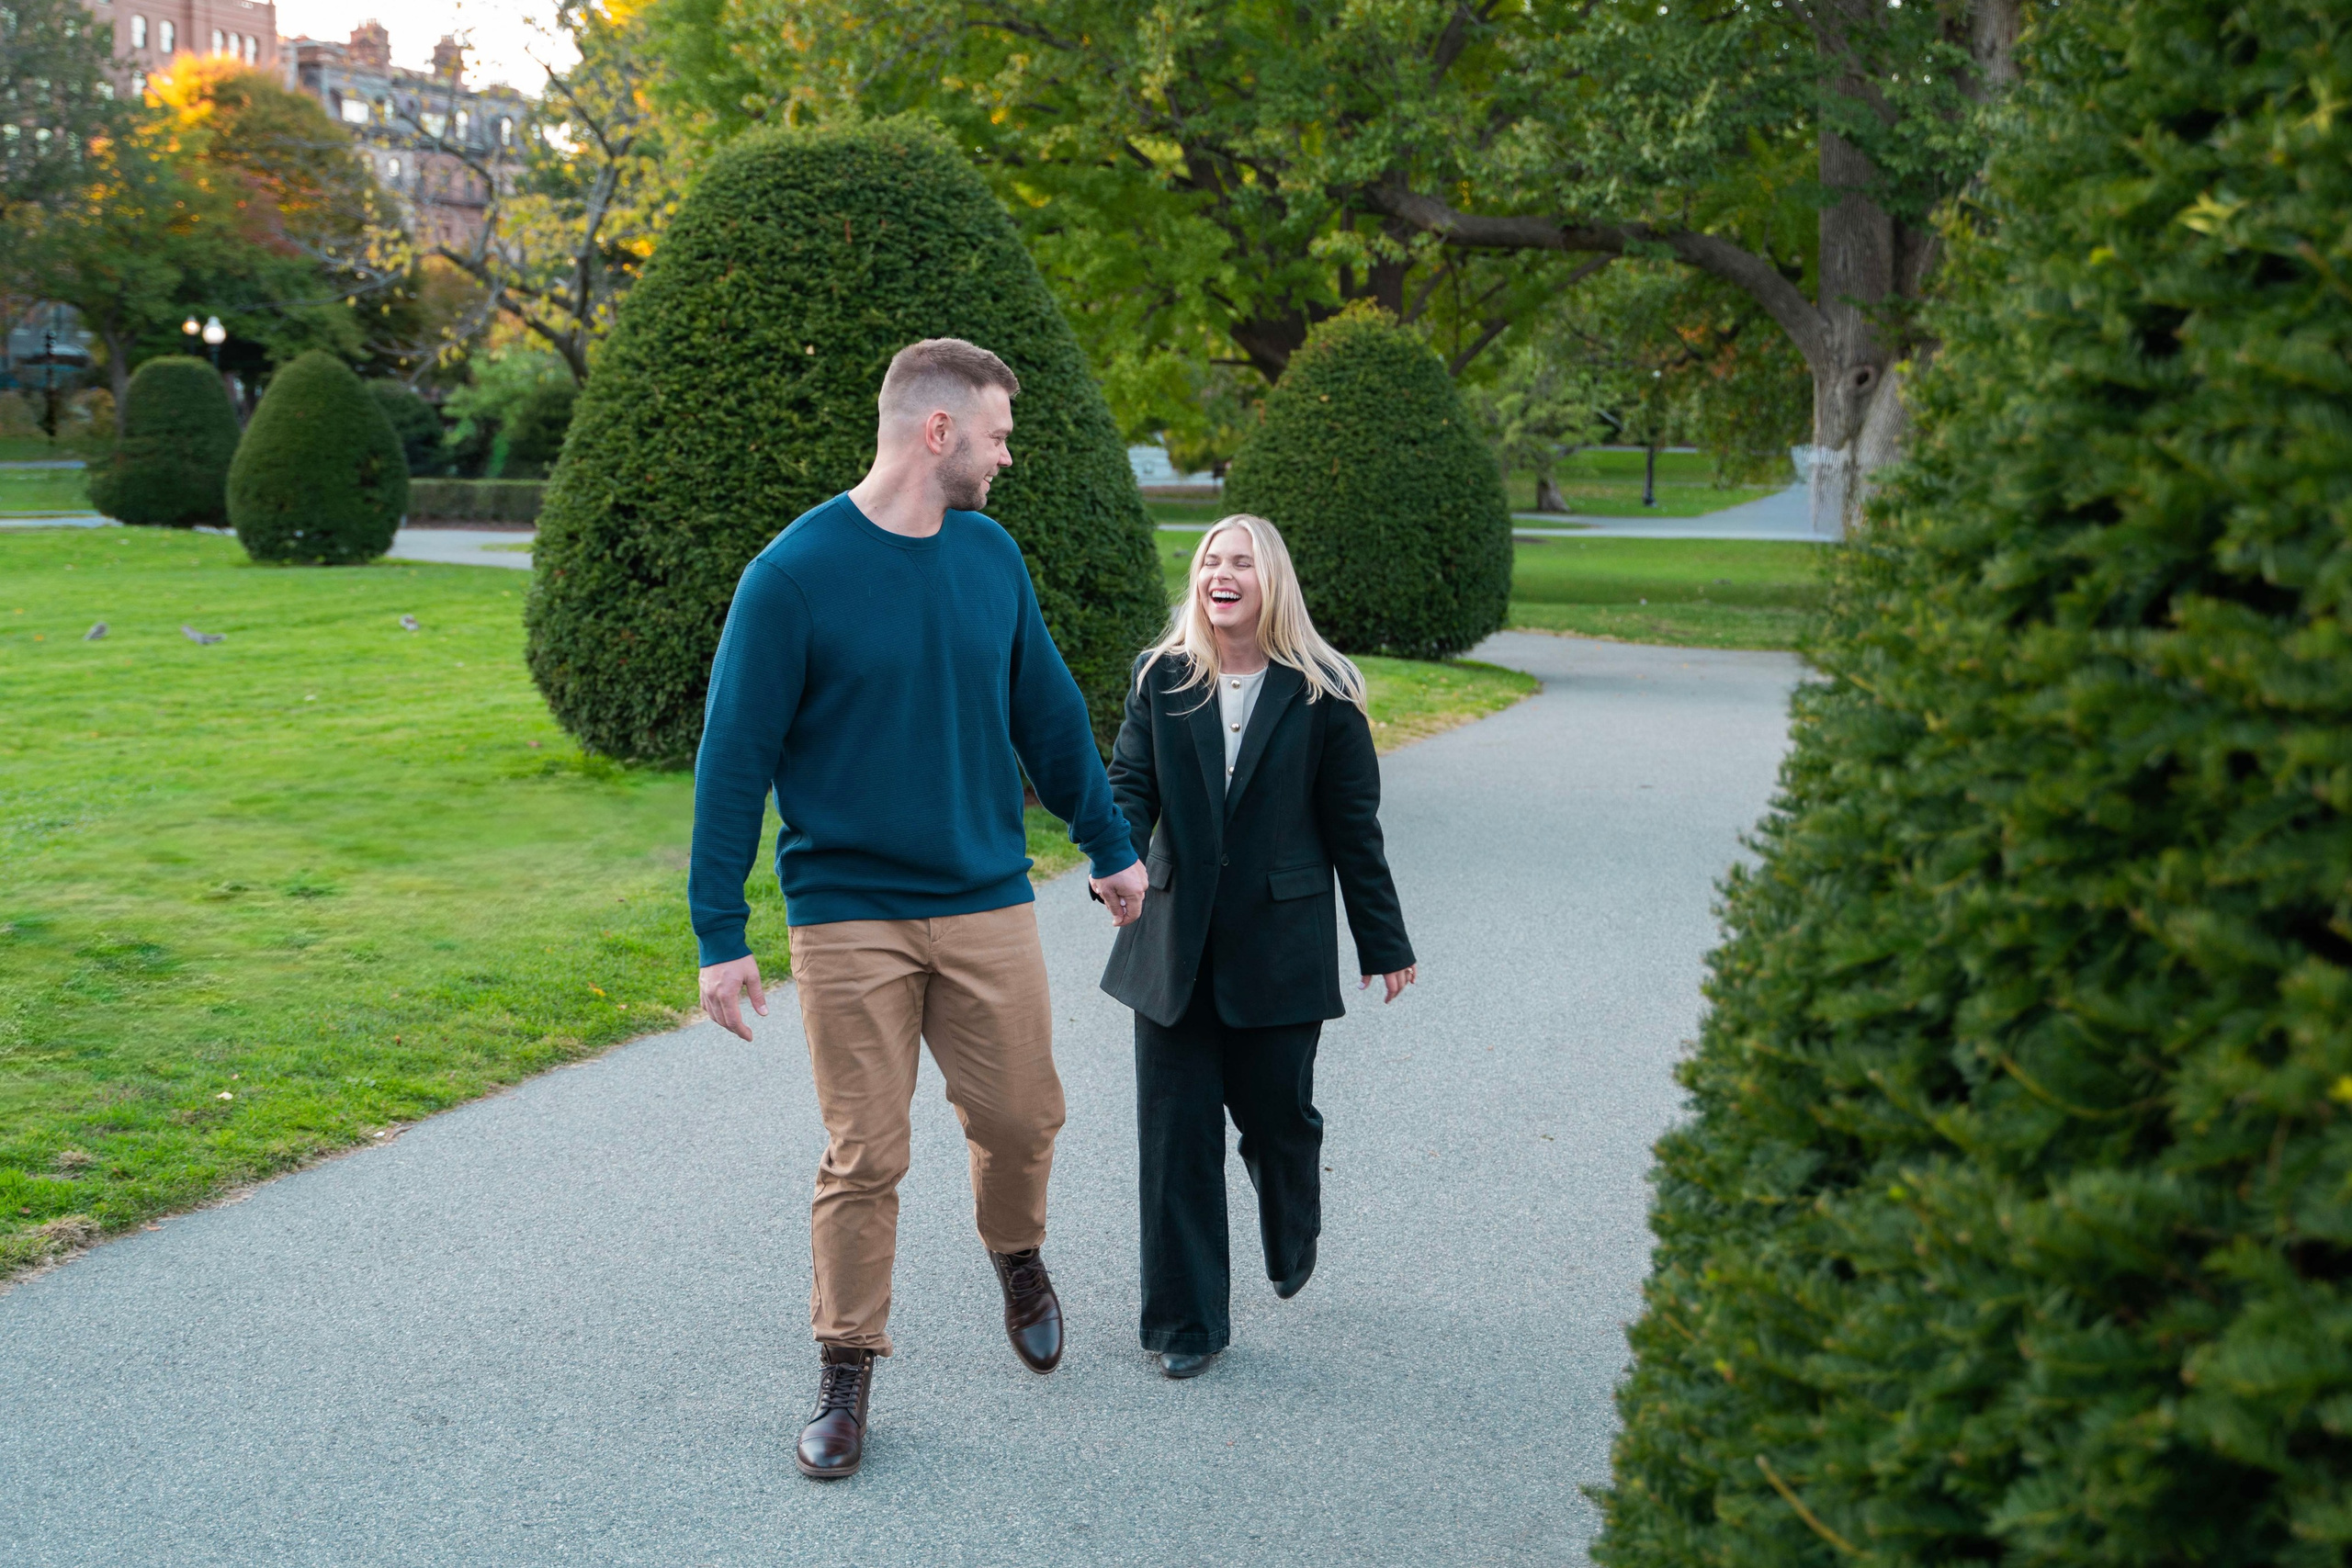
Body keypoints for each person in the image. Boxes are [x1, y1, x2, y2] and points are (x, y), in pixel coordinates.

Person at [691, 337, 1151, 1480]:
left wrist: (1109, 845)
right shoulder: (791, 576)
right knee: (867, 1152)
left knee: (1020, 1118)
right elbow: (732, 761)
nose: (1006, 456)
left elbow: (1046, 713)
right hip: (848, 911)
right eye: (996, 433)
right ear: (936, 431)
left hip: (985, 895)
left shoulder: (991, 558)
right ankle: (845, 1372)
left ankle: (1016, 1253)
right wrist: (719, 933)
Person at [1099, 513, 1417, 1379]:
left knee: (1277, 1116)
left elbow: (1355, 828)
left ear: (1270, 579)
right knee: (1176, 1137)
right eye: (1209, 560)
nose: (1220, 574)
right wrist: (1117, 857)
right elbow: (1129, 783)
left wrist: (1383, 941)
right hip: (1172, 944)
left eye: (1239, 561)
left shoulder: (1323, 690)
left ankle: (1291, 1215)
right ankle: (1187, 1324)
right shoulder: (1161, 678)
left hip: (1282, 946)